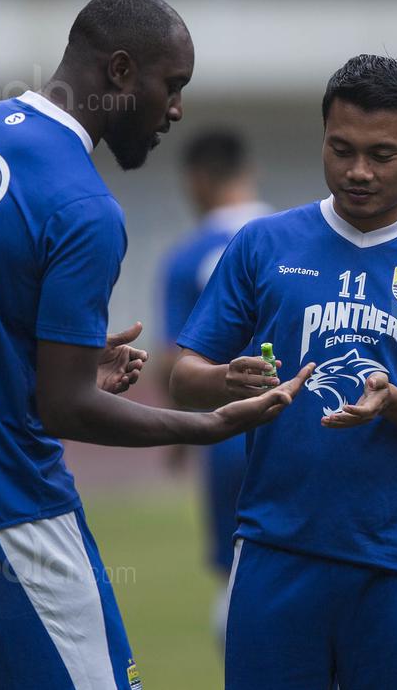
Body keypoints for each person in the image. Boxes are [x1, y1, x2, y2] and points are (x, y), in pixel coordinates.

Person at [0, 0, 308, 689]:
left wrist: (52, 354)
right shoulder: (83, 205)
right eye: (173, 86)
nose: (176, 110)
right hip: (0, 514)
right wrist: (208, 424)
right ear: (122, 71)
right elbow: (67, 409)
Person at [170, 54, 397, 689]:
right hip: (274, 553)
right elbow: (183, 377)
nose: (358, 171)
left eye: (382, 154)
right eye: (340, 149)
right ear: (322, 136)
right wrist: (232, 381)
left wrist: (395, 404)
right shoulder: (262, 244)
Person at [158, 128, 275, 648]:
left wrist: (179, 436)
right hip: (296, 422)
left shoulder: (187, 258)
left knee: (238, 574)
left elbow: (173, 361)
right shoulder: (292, 234)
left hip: (224, 432)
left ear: (198, 181)